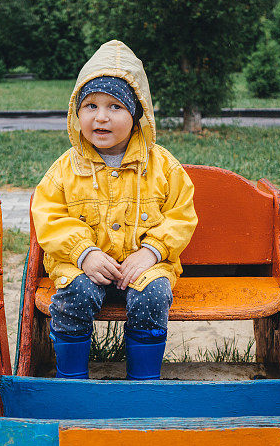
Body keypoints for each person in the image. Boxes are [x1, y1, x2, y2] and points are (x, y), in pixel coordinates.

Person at [31, 40, 198, 380]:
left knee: (153, 295)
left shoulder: (163, 166)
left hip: (143, 267)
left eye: (115, 107)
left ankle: (143, 381)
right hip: (82, 265)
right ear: (76, 113)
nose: (101, 117)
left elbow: (182, 214)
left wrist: (153, 252)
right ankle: (72, 380)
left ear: (137, 115)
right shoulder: (65, 169)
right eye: (90, 105)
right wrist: (83, 253)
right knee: (74, 295)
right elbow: (49, 216)